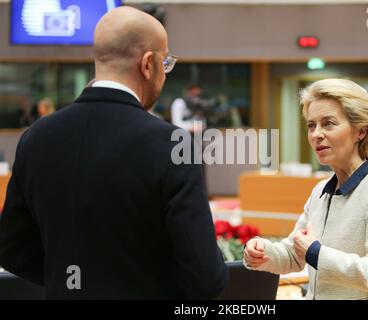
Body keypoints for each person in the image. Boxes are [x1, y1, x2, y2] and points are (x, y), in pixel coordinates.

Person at [0, 6, 227, 299]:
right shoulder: (172, 144)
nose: (164, 73)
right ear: (148, 64)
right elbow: (205, 278)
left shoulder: (36, 137)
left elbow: (10, 246)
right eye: (166, 63)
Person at [244, 79, 368, 300]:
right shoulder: (321, 191)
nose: (316, 134)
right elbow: (294, 254)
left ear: (361, 131)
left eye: (328, 123)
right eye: (312, 125)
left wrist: (317, 253)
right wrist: (262, 251)